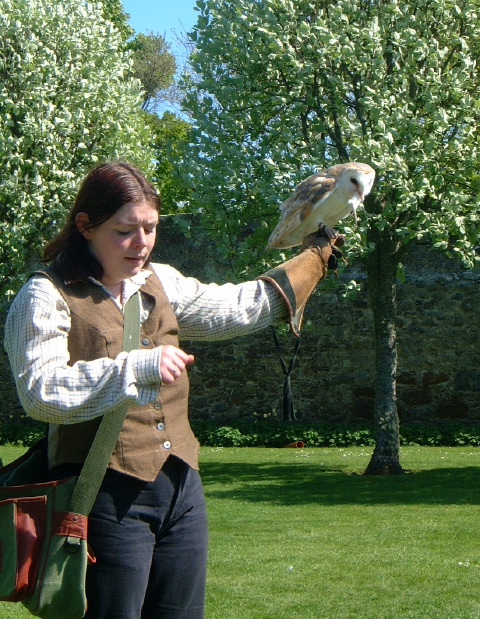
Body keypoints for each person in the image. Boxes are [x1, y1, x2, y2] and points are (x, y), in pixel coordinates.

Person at [4, 161, 342, 619]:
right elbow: (40, 391)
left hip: (182, 490)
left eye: (150, 228)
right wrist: (138, 365)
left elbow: (237, 309)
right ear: (85, 226)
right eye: (125, 230)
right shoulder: (45, 295)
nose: (141, 243)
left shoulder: (161, 282)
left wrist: (313, 258)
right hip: (103, 498)